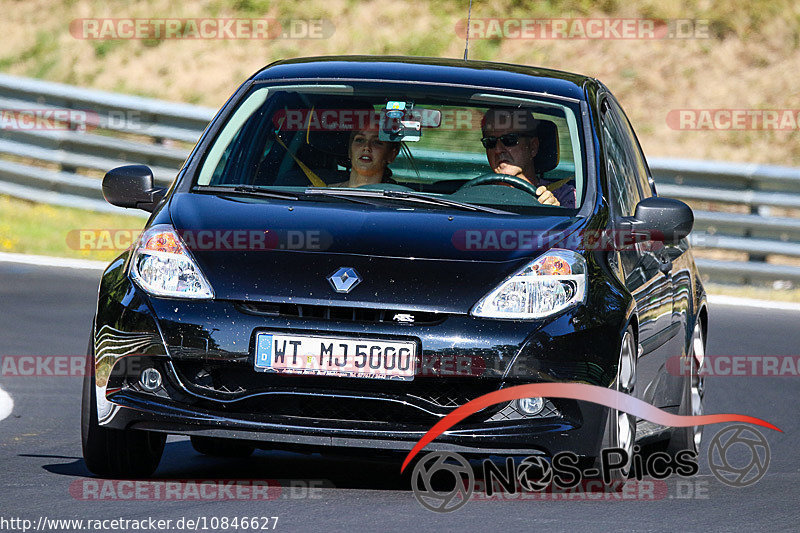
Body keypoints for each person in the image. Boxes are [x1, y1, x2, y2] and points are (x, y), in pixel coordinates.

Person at [481, 108, 576, 207]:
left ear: (533, 147)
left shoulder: (565, 196)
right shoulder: (475, 194)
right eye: (490, 142)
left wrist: (554, 212)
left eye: (509, 139)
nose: (498, 150)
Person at [329, 128, 400, 188]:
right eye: (359, 140)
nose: (366, 147)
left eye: (377, 142)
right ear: (350, 151)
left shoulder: (398, 199)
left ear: (391, 155)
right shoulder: (325, 192)